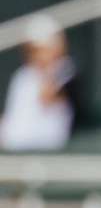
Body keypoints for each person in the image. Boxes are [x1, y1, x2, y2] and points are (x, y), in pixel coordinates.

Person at [0, 14, 78, 150]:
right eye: (32, 50)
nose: (36, 55)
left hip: (46, 152)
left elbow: (48, 96)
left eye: (40, 49)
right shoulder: (23, 75)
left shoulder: (66, 71)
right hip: (14, 151)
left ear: (58, 48)